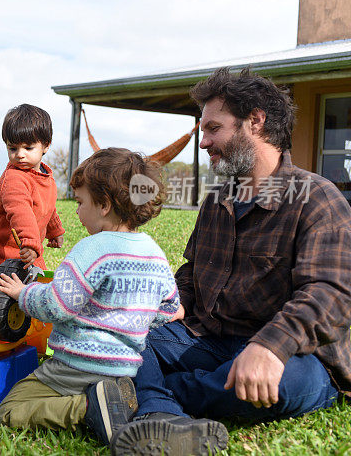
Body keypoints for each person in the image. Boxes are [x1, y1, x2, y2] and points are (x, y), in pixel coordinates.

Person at [111, 67, 351, 456]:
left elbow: (331, 293)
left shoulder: (317, 199)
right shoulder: (216, 201)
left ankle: (145, 398)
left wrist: (271, 346)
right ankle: (163, 415)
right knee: (122, 335)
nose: (203, 142)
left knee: (280, 383)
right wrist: (178, 301)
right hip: (211, 339)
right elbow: (191, 272)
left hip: (297, 355)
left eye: (213, 128)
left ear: (255, 121)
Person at [0, 147, 179, 446]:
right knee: (104, 392)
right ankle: (111, 401)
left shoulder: (92, 249)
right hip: (124, 369)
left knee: (10, 408)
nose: (77, 211)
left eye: (80, 202)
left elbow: (56, 304)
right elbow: (170, 308)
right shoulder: (154, 254)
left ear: (104, 204)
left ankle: (88, 407)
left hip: (76, 365)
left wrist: (23, 292)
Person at [0, 104, 65, 291]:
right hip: (2, 254)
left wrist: (55, 230)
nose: (20, 155)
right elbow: (20, 212)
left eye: (28, 147)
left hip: (27, 250)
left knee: (32, 291)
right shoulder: (14, 178)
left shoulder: (45, 176)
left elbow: (48, 206)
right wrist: (32, 244)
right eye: (13, 148)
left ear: (46, 146)